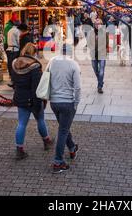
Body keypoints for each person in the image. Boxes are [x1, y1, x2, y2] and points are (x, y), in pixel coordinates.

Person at [12, 43, 54, 160]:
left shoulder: (15, 63)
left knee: (21, 124)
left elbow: (14, 82)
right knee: (40, 119)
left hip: (20, 97)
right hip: (33, 98)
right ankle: (46, 141)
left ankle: (19, 149)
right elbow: (37, 87)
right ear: (33, 53)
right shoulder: (35, 66)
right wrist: (40, 102)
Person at [49, 44, 81, 174]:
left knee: (64, 127)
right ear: (71, 52)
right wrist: (76, 102)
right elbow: (77, 87)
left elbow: (46, 78)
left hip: (54, 102)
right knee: (63, 130)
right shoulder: (74, 64)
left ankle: (72, 147)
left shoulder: (52, 61)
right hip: (67, 102)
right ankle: (58, 162)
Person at [87, 18, 109, 94]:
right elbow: (88, 43)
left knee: (101, 72)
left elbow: (106, 44)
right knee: (96, 70)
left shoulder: (105, 33)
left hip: (102, 54)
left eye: (99, 24)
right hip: (93, 55)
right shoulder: (91, 33)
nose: (97, 25)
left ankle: (100, 87)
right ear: (94, 25)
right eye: (96, 24)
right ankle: (101, 81)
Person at [6, 22, 21, 88]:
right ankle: (14, 80)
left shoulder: (9, 30)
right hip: (15, 49)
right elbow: (18, 41)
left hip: (9, 49)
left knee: (10, 65)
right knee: (15, 66)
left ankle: (12, 79)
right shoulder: (17, 31)